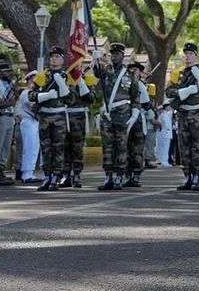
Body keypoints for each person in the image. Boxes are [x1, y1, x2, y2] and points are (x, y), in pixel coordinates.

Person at [165, 42, 199, 192]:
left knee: (196, 147)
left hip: (196, 113)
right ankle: (187, 177)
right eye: (186, 53)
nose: (188, 56)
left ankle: (197, 177)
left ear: (196, 56)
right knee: (183, 147)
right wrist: (185, 91)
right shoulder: (179, 73)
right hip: (183, 114)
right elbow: (169, 92)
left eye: (191, 54)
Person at [96, 43, 138, 190]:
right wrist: (96, 59)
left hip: (122, 113)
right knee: (107, 146)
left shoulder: (130, 74)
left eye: (117, 54)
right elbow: (97, 73)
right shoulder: (106, 71)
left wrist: (135, 113)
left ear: (123, 55)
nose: (114, 56)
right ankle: (108, 177)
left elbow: (135, 96)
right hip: (107, 114)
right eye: (112, 54)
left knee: (121, 146)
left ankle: (119, 176)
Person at [30, 46, 71, 191]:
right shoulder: (42, 76)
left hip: (59, 115)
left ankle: (56, 177)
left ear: (62, 60)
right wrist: (45, 96)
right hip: (45, 115)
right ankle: (47, 176)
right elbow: (31, 94)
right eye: (52, 57)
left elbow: (70, 99)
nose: (54, 59)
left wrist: (62, 86)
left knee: (58, 148)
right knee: (45, 148)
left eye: (57, 57)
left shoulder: (66, 76)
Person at [59, 65, 92, 188]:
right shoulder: (62, 78)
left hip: (78, 118)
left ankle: (77, 174)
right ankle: (65, 175)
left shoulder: (84, 79)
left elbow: (90, 98)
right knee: (64, 147)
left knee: (77, 148)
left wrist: (81, 82)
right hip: (64, 116)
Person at [124, 61, 151, 188]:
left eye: (136, 70)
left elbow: (146, 103)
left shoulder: (140, 84)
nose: (133, 72)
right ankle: (127, 174)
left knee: (137, 149)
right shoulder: (125, 84)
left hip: (138, 119)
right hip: (125, 116)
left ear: (140, 73)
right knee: (126, 147)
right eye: (131, 70)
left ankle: (136, 175)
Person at [16, 71, 43, 184]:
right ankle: (26, 174)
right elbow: (32, 107)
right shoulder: (26, 93)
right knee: (30, 148)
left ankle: (30, 173)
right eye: (34, 79)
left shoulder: (36, 93)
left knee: (35, 148)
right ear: (30, 80)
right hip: (28, 121)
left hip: (35, 122)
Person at [156, 102, 173, 166]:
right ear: (166, 107)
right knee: (165, 148)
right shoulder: (165, 115)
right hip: (166, 133)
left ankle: (161, 160)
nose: (170, 108)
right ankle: (164, 161)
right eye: (169, 106)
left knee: (162, 148)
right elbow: (167, 125)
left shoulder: (163, 114)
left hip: (163, 133)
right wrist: (168, 131)